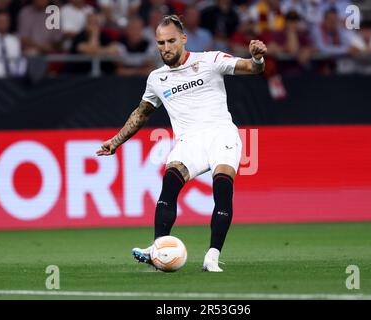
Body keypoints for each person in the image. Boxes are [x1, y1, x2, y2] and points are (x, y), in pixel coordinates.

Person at [96, 15, 267, 272]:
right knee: (169, 184)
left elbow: (252, 69)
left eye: (171, 41)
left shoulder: (210, 60)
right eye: (161, 43)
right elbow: (141, 113)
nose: (166, 48)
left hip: (221, 134)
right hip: (189, 141)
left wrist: (257, 58)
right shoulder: (156, 78)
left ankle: (212, 256)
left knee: (221, 188)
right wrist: (116, 141)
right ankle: (158, 250)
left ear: (184, 39)